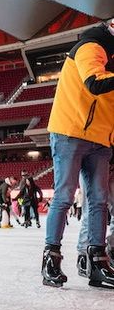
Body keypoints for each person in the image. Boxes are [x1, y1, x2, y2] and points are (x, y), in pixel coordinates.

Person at [43, 21, 114, 288]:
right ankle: (51, 259)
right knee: (63, 196)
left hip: (100, 138)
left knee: (98, 200)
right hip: (71, 132)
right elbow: (94, 83)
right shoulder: (91, 46)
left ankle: (97, 261)